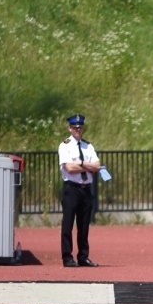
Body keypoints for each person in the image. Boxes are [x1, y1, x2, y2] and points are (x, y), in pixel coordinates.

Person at [58, 113, 101, 267]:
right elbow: (69, 168)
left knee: (84, 225)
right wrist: (88, 166)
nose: (78, 129)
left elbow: (97, 166)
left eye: (80, 127)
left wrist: (81, 164)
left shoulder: (88, 146)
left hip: (86, 188)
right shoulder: (65, 146)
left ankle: (83, 256)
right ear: (69, 128)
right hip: (72, 188)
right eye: (75, 127)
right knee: (68, 224)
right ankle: (67, 257)